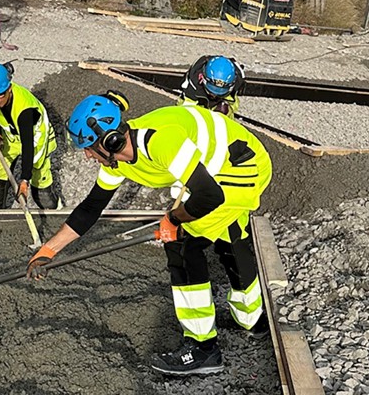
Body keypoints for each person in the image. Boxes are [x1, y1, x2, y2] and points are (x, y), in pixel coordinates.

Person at [26, 91, 273, 376]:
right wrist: (48, 251)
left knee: (182, 245)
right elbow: (90, 209)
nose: (86, 156)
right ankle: (252, 320)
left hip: (240, 168)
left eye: (89, 148)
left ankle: (203, 349)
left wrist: (172, 219)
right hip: (222, 167)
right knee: (230, 235)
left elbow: (208, 196)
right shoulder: (117, 161)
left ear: (110, 141)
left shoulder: (160, 142)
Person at [0, 62, 60, 210]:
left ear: (9, 88)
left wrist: (24, 180)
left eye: (0, 95)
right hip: (11, 134)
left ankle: (53, 212)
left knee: (39, 175)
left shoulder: (24, 109)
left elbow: (28, 146)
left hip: (36, 136)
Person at [178, 55, 245, 119]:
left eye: (221, 90)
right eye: (212, 88)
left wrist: (227, 110)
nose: (214, 94)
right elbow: (186, 106)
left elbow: (234, 103)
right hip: (198, 93)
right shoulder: (194, 81)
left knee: (224, 109)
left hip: (224, 96)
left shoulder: (238, 80)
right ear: (203, 78)